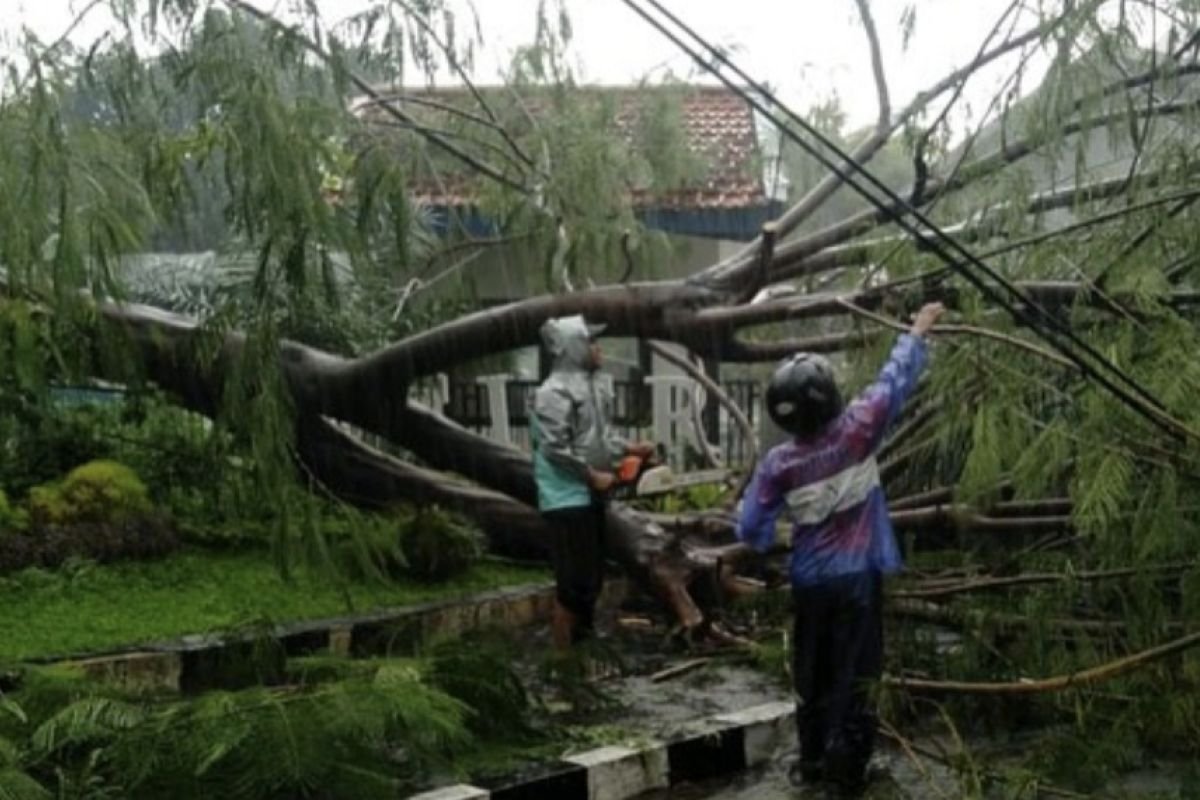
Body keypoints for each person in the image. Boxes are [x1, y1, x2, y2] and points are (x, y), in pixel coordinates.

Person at [737, 302, 945, 797]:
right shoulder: (859, 430)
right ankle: (846, 772)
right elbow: (895, 379)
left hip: (809, 584)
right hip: (857, 581)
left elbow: (750, 528)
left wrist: (776, 538)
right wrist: (918, 328)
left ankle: (811, 760)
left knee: (814, 671)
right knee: (857, 674)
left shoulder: (778, 465)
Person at [530, 314, 655, 651]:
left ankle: (582, 647)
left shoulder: (592, 387)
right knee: (573, 584)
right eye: (591, 342)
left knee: (591, 579)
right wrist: (591, 475)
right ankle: (562, 658)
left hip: (590, 496)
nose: (598, 349)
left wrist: (631, 448)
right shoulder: (552, 392)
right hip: (565, 498)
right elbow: (554, 448)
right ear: (573, 347)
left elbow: (601, 439)